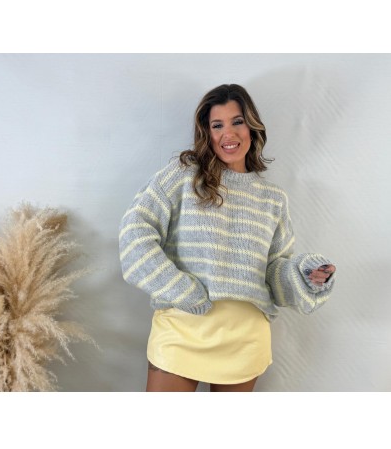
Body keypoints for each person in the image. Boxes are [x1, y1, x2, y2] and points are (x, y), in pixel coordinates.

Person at [118, 84, 336, 392]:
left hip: (245, 338)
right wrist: (183, 290)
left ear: (252, 127)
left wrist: (306, 276)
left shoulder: (272, 199)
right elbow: (134, 234)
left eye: (237, 122)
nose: (228, 134)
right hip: (182, 328)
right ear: (206, 132)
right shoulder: (183, 177)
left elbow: (274, 270)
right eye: (217, 125)